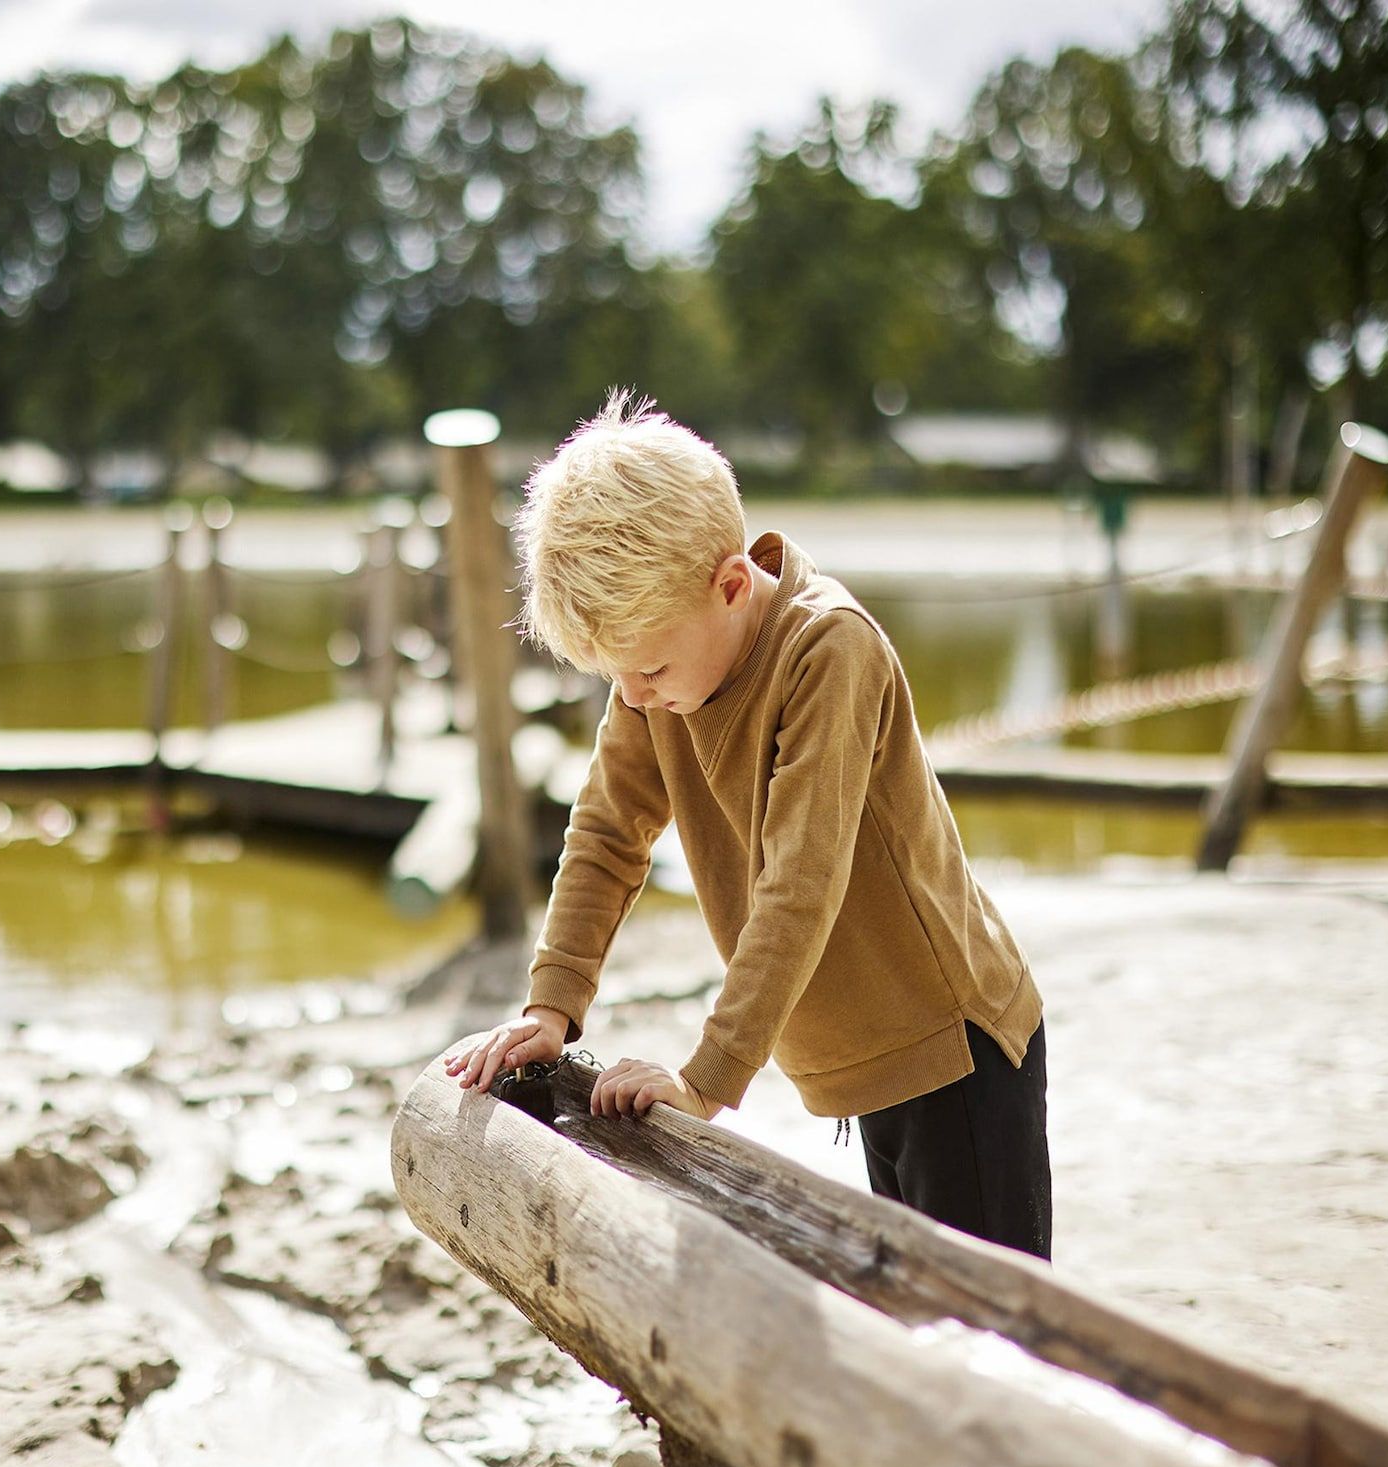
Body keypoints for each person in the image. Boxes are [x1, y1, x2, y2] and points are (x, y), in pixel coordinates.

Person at [442, 392, 1051, 1261]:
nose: (638, 695)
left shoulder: (829, 652)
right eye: (620, 677)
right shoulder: (659, 678)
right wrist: (554, 1001)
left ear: (730, 585)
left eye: (649, 668)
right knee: (912, 1302)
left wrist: (705, 1080)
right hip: (857, 1052)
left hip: (950, 1046)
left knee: (997, 1327)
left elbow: (798, 883)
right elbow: (608, 831)